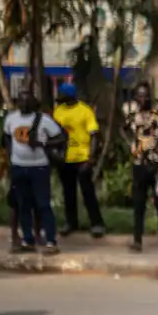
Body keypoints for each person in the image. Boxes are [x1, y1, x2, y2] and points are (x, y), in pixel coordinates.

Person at [4, 91, 62, 255]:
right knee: (23, 205)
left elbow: (60, 138)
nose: (23, 104)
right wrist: (11, 155)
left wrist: (42, 142)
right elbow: (7, 137)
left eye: (27, 101)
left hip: (39, 167)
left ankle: (51, 241)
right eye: (21, 101)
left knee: (43, 205)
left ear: (33, 103)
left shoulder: (43, 120)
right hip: (18, 167)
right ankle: (28, 240)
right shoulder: (11, 119)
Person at [51, 82, 106, 237]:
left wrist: (91, 159)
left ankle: (97, 223)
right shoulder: (58, 111)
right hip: (64, 158)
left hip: (82, 158)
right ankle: (71, 222)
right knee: (68, 193)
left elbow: (94, 135)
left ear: (68, 95)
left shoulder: (85, 111)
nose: (58, 97)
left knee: (88, 192)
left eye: (61, 94)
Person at [125, 82, 158, 253]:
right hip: (139, 166)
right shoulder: (132, 116)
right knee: (139, 205)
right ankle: (137, 240)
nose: (143, 98)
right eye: (140, 95)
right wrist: (132, 149)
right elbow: (126, 132)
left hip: (156, 166)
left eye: (146, 95)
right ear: (135, 98)